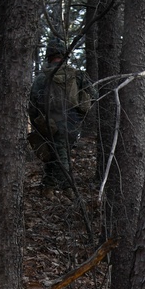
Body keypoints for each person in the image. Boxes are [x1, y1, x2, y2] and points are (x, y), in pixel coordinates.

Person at [28, 34, 92, 191]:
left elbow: (32, 105)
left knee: (59, 158)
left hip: (51, 123)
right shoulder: (78, 75)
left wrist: (37, 123)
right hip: (73, 122)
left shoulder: (42, 78)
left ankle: (68, 190)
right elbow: (93, 96)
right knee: (57, 155)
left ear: (49, 56)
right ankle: (48, 187)